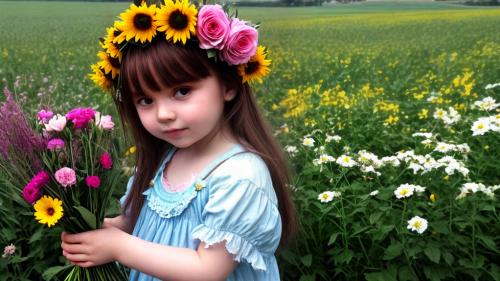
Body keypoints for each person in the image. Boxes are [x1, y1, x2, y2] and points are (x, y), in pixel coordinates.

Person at [61, 1, 297, 280]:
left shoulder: (240, 176)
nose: (163, 114)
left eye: (182, 91)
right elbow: (141, 220)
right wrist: (101, 229)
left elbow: (207, 269)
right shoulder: (166, 158)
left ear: (229, 85)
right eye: (145, 100)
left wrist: (118, 247)